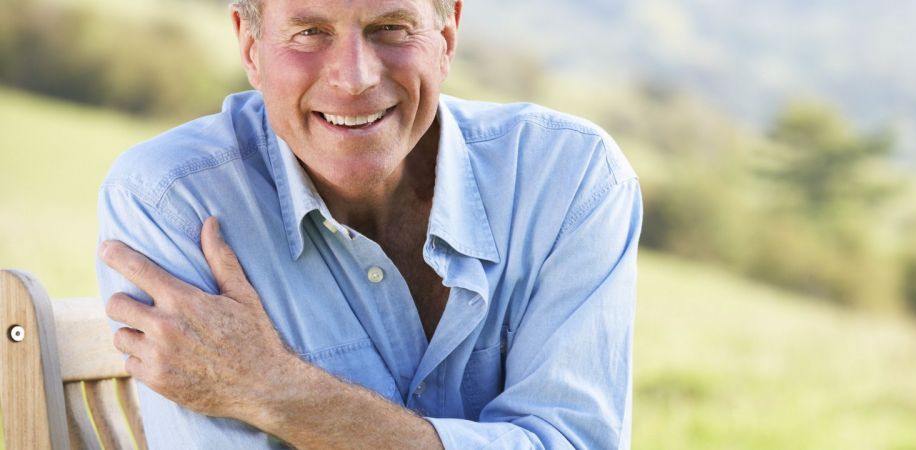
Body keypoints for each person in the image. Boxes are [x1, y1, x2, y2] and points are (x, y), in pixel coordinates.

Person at [94, 0, 641, 448]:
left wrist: (274, 390)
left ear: (446, 35)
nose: (355, 78)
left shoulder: (568, 178)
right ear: (250, 47)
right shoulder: (171, 201)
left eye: (390, 28)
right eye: (310, 31)